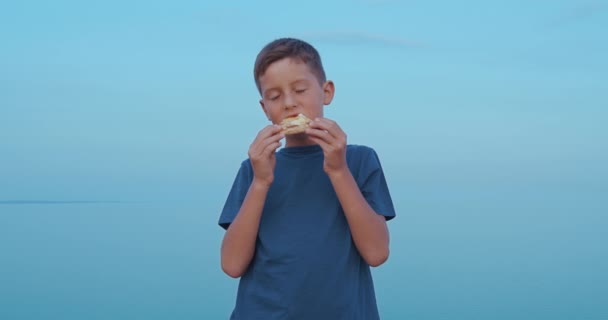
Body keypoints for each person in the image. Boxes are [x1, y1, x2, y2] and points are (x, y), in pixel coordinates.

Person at [218, 37, 396, 320]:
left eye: (300, 90)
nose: (289, 103)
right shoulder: (253, 169)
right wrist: (261, 182)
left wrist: (338, 171)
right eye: (275, 97)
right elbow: (231, 265)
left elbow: (376, 253)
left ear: (326, 92)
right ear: (265, 109)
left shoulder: (359, 161)